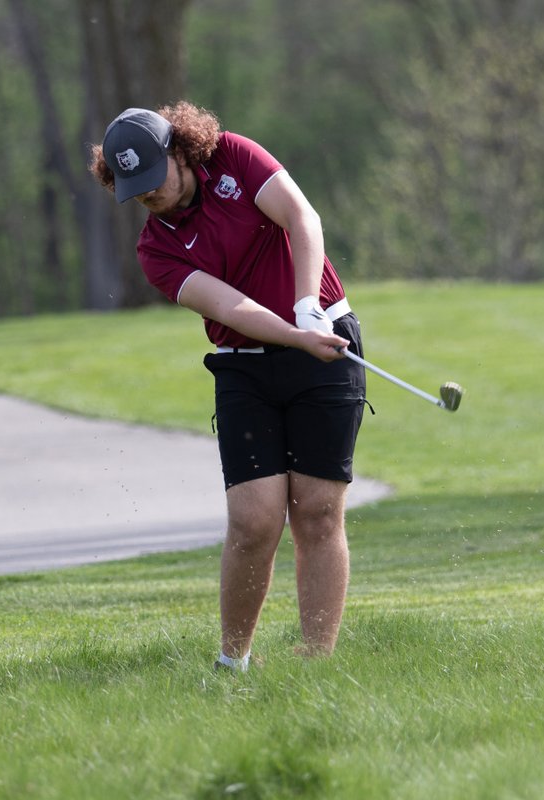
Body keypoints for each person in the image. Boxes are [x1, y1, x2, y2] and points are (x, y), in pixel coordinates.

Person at [89, 102, 367, 670]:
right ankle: (232, 661)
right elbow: (230, 306)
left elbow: (301, 218)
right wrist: (294, 332)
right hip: (246, 363)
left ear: (179, 151)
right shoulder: (154, 250)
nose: (148, 195)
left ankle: (316, 664)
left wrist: (308, 305)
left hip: (325, 339)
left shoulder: (234, 159)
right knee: (254, 520)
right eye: (132, 188)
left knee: (316, 511)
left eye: (152, 177)